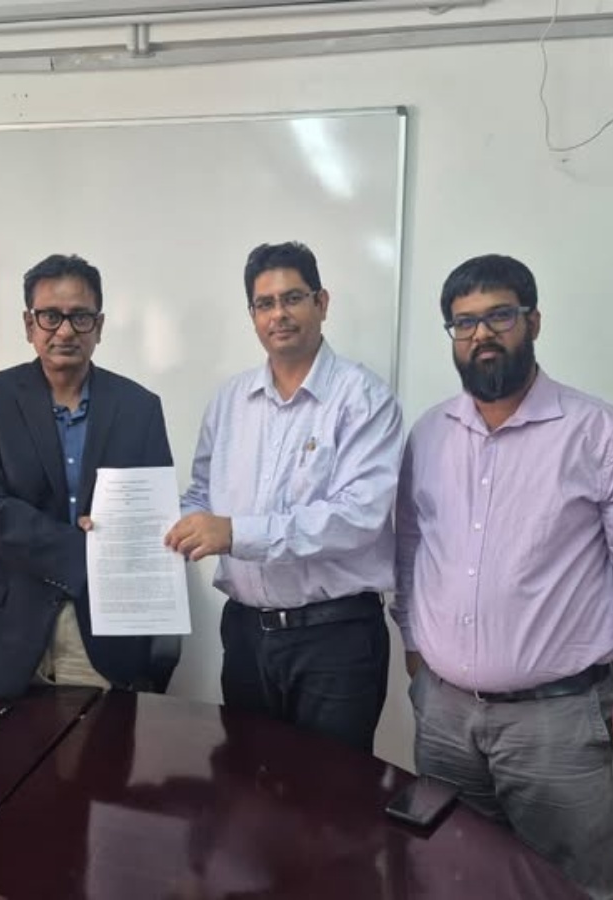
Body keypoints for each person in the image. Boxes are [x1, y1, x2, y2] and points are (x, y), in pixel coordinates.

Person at [392, 253, 613, 900]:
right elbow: (411, 547)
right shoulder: (429, 434)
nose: (481, 334)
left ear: (533, 321)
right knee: (450, 872)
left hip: (556, 720)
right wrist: (415, 642)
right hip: (443, 714)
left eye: (499, 315)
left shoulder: (599, 434)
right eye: (464, 323)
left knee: (563, 884)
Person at [165, 241, 402, 754]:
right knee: (247, 781)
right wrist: (141, 528)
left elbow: (357, 518)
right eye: (265, 303)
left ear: (321, 302)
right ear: (252, 315)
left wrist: (234, 533)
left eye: (293, 298)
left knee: (330, 791)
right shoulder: (230, 400)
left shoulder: (364, 398)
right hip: (246, 635)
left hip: (335, 639)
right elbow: (201, 493)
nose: (279, 314)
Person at [0, 253, 176, 696]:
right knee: (0, 743)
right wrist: (88, 549)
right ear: (29, 324)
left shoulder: (139, 407)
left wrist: (126, 532)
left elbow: (152, 509)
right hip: (8, 623)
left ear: (99, 325)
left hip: (103, 623)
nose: (65, 331)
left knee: (98, 740)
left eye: (80, 317)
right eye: (50, 316)